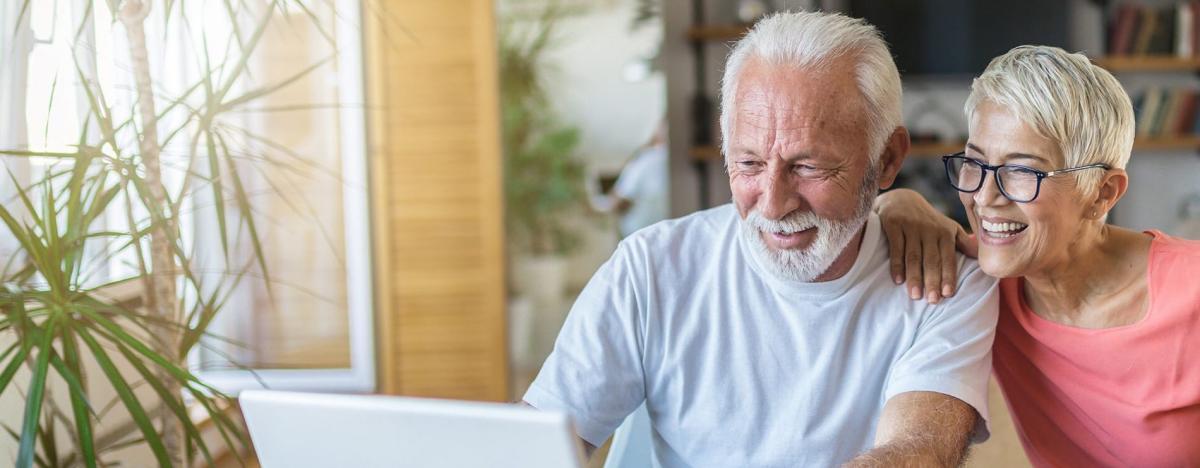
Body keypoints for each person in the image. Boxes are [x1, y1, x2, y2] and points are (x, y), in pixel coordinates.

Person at [522, 11, 1000, 467]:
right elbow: (540, 441)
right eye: (748, 163)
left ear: (888, 159)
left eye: (808, 167)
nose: (772, 205)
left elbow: (918, 452)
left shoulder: (945, 282)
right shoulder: (650, 268)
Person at [876, 45, 1200, 467]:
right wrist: (897, 201)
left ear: (1103, 193)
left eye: (1021, 172)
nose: (984, 197)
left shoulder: (1191, 291)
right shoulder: (982, 280)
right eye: (975, 164)